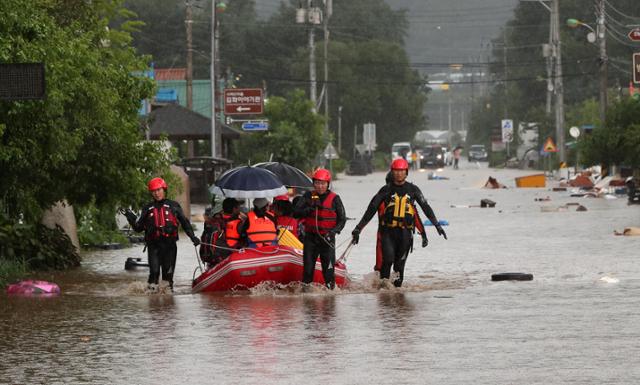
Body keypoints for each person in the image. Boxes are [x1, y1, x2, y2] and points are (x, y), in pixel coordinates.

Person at [351, 159, 447, 287]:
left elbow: (425, 207)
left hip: (405, 234)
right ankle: (384, 294)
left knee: (399, 266)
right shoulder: (385, 190)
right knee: (388, 260)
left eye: (401, 171)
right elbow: (371, 209)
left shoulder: (413, 190)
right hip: (388, 233)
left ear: (406, 172)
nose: (399, 174)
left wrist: (437, 226)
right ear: (392, 172)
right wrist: (358, 229)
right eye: (396, 171)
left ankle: (397, 298)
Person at [124, 177, 200, 292]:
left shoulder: (174, 206)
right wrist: (131, 219)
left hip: (170, 246)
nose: (156, 193)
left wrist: (192, 237)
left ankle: (168, 305)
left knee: (167, 278)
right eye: (154, 191)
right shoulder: (147, 208)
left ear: (164, 189)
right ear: (151, 193)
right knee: (154, 274)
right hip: (153, 246)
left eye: (159, 190)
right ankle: (152, 304)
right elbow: (138, 228)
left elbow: (185, 223)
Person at [293, 168, 347, 289]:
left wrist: (333, 232)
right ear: (313, 183)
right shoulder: (308, 196)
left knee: (328, 273)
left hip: (327, 240)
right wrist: (309, 209)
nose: (320, 186)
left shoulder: (335, 199)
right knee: (307, 272)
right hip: (311, 239)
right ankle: (307, 300)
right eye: (317, 183)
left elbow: (342, 219)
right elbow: (295, 212)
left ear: (328, 184)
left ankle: (330, 299)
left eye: (323, 183)